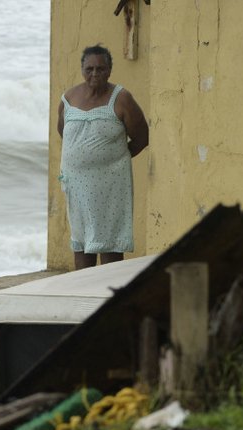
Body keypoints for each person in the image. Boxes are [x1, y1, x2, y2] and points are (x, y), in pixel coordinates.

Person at [57, 44, 148, 270]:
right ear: (82, 69)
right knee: (81, 242)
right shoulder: (68, 98)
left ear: (109, 70)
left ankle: (109, 299)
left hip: (110, 185)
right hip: (76, 185)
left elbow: (142, 138)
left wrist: (112, 160)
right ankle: (85, 298)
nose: (95, 74)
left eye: (100, 69)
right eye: (89, 69)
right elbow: (64, 133)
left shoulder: (122, 98)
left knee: (109, 243)